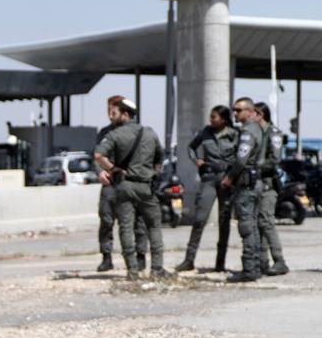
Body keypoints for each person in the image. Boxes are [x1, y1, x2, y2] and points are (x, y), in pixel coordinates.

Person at [93, 95, 168, 279]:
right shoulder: (149, 132)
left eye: (114, 111)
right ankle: (157, 269)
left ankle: (132, 269)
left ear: (125, 114)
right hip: (145, 186)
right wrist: (153, 173)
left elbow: (98, 155)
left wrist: (113, 169)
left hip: (123, 185)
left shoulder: (114, 134)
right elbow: (160, 156)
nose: (111, 114)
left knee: (126, 226)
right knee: (153, 226)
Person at [177, 105, 237, 272]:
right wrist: (196, 160)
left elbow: (241, 156)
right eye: (210, 117)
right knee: (199, 219)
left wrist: (233, 176)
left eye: (214, 117)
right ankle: (189, 260)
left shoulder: (234, 135)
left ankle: (220, 263)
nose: (211, 120)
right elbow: (191, 147)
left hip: (226, 180)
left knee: (224, 222)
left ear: (224, 120)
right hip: (209, 179)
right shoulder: (205, 132)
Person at [220, 96, 270, 284]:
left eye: (239, 110)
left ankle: (249, 269)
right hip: (255, 182)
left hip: (247, 184)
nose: (235, 114)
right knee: (254, 227)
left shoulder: (248, 131)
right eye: (234, 110)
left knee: (247, 227)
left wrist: (229, 178)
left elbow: (241, 159)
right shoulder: (257, 129)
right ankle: (255, 266)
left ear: (250, 111)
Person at [254, 101, 289, 276]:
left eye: (254, 113)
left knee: (266, 222)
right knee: (259, 222)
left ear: (260, 115)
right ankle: (262, 262)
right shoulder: (256, 133)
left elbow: (274, 159)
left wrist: (255, 166)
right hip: (256, 184)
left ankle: (279, 260)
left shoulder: (273, 133)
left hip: (268, 184)